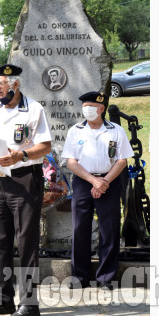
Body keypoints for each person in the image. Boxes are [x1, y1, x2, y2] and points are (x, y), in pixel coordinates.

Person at [0, 64, 52, 316]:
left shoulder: (33, 109)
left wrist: (22, 155)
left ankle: (29, 304)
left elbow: (45, 146)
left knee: (26, 242)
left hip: (25, 179)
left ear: (15, 85)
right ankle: (3, 300)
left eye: (1, 84)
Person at [61, 91, 134, 290]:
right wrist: (94, 181)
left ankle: (105, 278)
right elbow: (71, 162)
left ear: (101, 108)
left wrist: (104, 182)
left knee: (109, 229)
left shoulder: (115, 130)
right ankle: (79, 277)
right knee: (80, 229)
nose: (87, 110)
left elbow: (122, 160)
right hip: (84, 181)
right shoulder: (75, 130)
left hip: (109, 182)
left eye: (91, 107)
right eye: (84, 106)